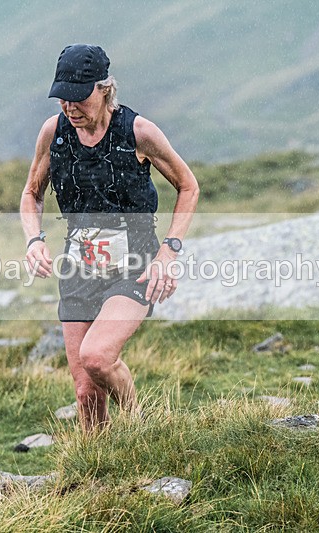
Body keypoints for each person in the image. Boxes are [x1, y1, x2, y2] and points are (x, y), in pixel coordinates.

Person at [20, 44, 199, 431]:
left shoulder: (138, 132)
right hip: (78, 268)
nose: (70, 107)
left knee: (98, 356)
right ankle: (96, 469)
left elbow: (188, 186)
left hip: (133, 266)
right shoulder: (54, 133)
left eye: (79, 97)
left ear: (105, 89)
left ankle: (139, 428)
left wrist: (169, 252)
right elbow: (32, 192)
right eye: (62, 97)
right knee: (85, 390)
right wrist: (34, 240)